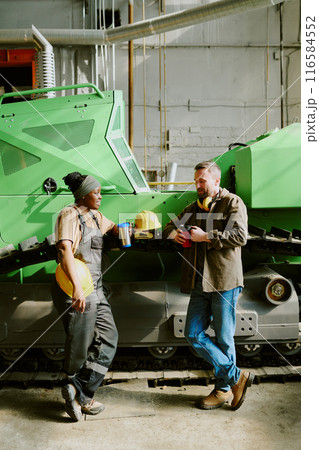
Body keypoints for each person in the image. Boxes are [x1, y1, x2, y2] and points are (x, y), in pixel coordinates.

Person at [163, 161, 254, 410]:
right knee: (193, 333)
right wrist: (175, 234)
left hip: (224, 282)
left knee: (224, 338)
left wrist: (206, 237)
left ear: (216, 180)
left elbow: (239, 236)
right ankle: (237, 378)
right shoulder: (194, 208)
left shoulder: (233, 203)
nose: (198, 185)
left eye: (202, 180)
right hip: (199, 282)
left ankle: (223, 390)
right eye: (196, 181)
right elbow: (169, 226)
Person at [52, 172, 119, 421]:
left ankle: (78, 390)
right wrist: (78, 287)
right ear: (83, 195)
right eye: (96, 192)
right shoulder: (69, 214)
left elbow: (112, 227)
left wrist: (127, 228)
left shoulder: (95, 216)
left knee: (109, 338)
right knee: (80, 344)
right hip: (75, 287)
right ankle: (82, 396)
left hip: (97, 288)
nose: (100, 196)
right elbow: (65, 249)